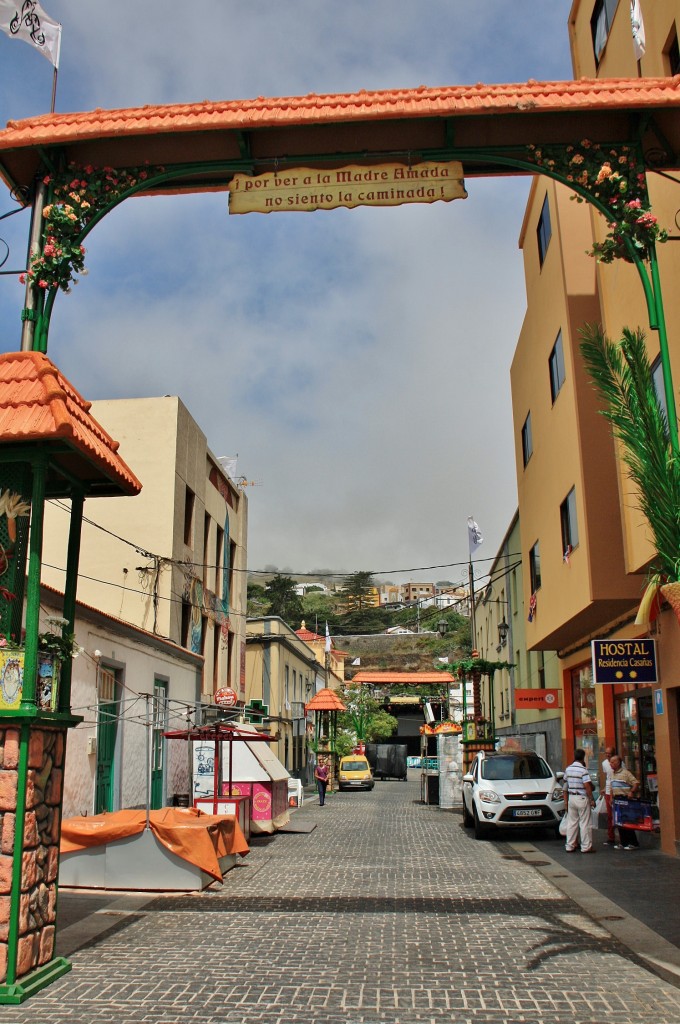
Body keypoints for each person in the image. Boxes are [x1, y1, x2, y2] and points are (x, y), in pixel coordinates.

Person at [563, 748, 596, 854]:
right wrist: (591, 799)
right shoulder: (583, 770)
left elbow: (565, 780)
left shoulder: (568, 769)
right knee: (584, 823)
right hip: (582, 798)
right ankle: (586, 847)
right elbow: (587, 785)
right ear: (583, 757)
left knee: (572, 823)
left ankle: (570, 845)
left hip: (571, 798)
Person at [609, 754, 640, 849]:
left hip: (625, 799)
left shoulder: (626, 773)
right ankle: (624, 842)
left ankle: (633, 843)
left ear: (618, 763)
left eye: (613, 762)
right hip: (616, 799)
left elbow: (635, 782)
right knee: (619, 822)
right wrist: (611, 797)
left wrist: (632, 792)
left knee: (627, 821)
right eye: (610, 762)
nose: (611, 764)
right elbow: (612, 786)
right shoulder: (612, 773)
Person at [600, 746, 616, 846]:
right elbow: (607, 778)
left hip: (616, 791)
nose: (607, 755)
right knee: (609, 815)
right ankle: (611, 836)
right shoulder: (605, 764)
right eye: (606, 753)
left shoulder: (620, 763)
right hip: (608, 792)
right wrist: (604, 788)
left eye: (609, 753)